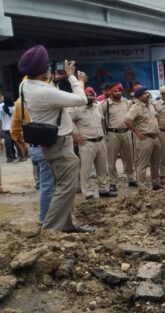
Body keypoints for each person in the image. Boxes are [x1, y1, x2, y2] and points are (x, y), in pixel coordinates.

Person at [19, 45, 92, 233]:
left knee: (63, 185)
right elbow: (81, 100)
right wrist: (73, 77)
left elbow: (46, 88)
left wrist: (57, 79)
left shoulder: (25, 85)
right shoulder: (45, 92)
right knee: (66, 187)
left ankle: (68, 224)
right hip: (59, 142)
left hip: (50, 142)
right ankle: (50, 230)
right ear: (44, 68)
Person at [10, 76, 55, 223]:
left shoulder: (18, 103)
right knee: (50, 184)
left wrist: (24, 147)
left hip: (33, 147)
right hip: (47, 145)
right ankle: (46, 218)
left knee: (43, 182)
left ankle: (47, 214)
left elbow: (14, 130)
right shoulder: (44, 97)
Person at [70, 87, 116, 200]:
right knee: (86, 169)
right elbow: (68, 120)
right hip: (87, 143)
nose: (90, 97)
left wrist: (105, 134)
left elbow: (102, 120)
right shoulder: (77, 109)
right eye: (87, 96)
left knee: (102, 168)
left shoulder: (97, 106)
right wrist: (75, 135)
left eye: (92, 95)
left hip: (100, 140)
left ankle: (103, 189)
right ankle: (88, 192)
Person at [124, 86, 162, 193]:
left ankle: (156, 183)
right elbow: (127, 120)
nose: (147, 95)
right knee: (142, 164)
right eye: (145, 93)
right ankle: (142, 187)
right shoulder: (136, 107)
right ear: (139, 96)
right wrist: (137, 132)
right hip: (145, 139)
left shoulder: (150, 105)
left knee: (155, 163)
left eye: (147, 93)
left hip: (155, 137)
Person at [101, 83, 137, 191]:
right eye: (115, 91)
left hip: (126, 132)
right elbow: (101, 118)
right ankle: (112, 182)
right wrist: (105, 131)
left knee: (129, 157)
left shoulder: (126, 101)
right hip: (112, 134)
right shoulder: (105, 104)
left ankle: (131, 178)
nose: (118, 93)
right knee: (111, 159)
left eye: (119, 91)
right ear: (111, 92)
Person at [1, 93, 26, 163]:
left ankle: (10, 157)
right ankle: (21, 156)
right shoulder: (16, 105)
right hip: (15, 127)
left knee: (7, 143)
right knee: (17, 142)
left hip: (5, 128)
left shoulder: (0, 107)